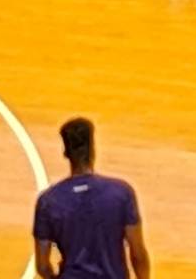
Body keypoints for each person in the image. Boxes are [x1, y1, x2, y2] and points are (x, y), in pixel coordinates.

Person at [32, 117, 147, 279]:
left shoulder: (49, 202)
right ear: (92, 149)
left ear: (66, 153)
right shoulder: (121, 193)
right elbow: (138, 254)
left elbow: (43, 266)